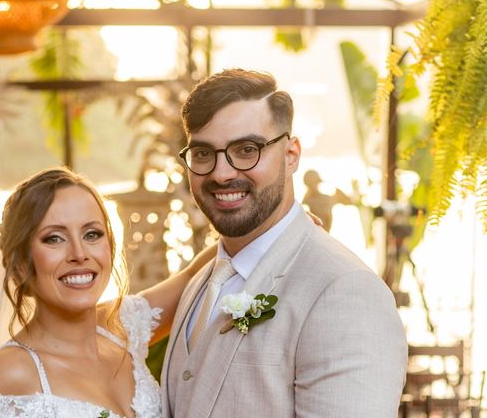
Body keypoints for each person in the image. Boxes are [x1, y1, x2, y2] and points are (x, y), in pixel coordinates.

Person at [161, 68, 408, 417]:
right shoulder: (201, 281)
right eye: (203, 153)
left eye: (246, 149)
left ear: (291, 155)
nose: (221, 173)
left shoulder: (346, 292)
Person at [0, 167, 216, 418]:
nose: (79, 253)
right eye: (54, 238)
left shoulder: (122, 327)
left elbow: (196, 273)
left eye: (92, 234)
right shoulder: (8, 376)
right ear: (20, 265)